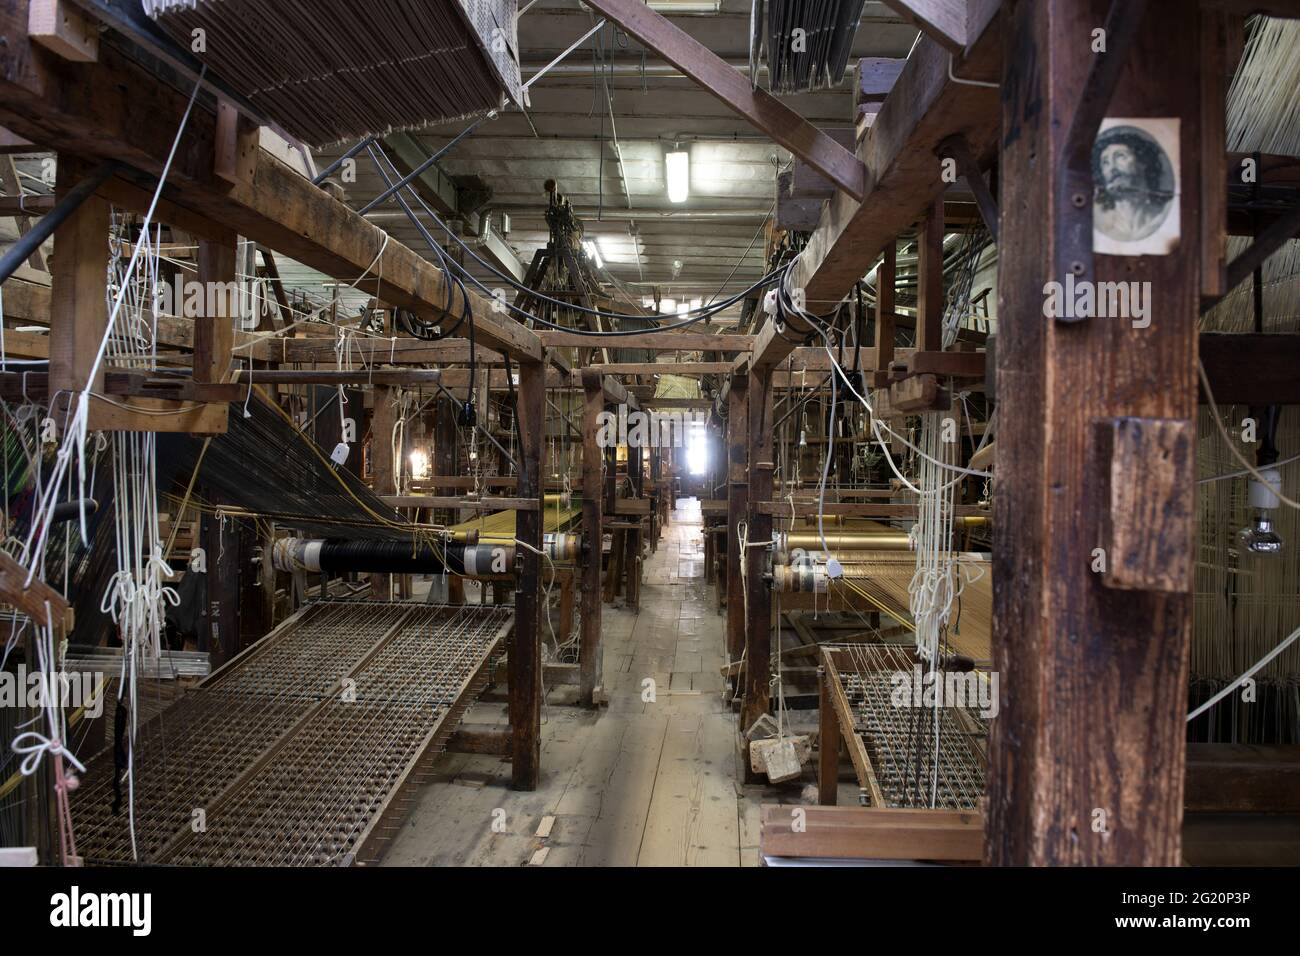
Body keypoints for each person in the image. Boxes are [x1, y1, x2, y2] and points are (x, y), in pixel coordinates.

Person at [1092, 127, 1174, 243]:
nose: (1112, 168)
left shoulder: (1162, 214)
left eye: (1120, 156)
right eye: (1105, 162)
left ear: (1143, 162)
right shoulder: (1099, 219)